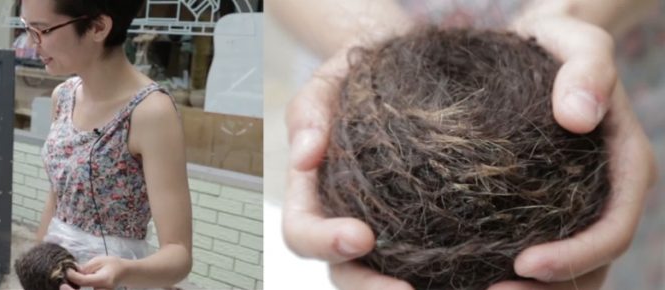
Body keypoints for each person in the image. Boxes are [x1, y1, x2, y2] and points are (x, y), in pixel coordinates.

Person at [271, 0, 658, 289]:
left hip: (599, 73)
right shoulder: (372, 130)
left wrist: (573, 14)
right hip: (364, 86)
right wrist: (361, 38)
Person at [19, 0, 194, 289]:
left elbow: (179, 256)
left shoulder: (150, 111)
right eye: (27, 29)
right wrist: (36, 269)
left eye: (43, 30)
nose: (31, 43)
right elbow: (57, 199)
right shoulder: (63, 97)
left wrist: (123, 270)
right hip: (56, 272)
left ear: (98, 27)